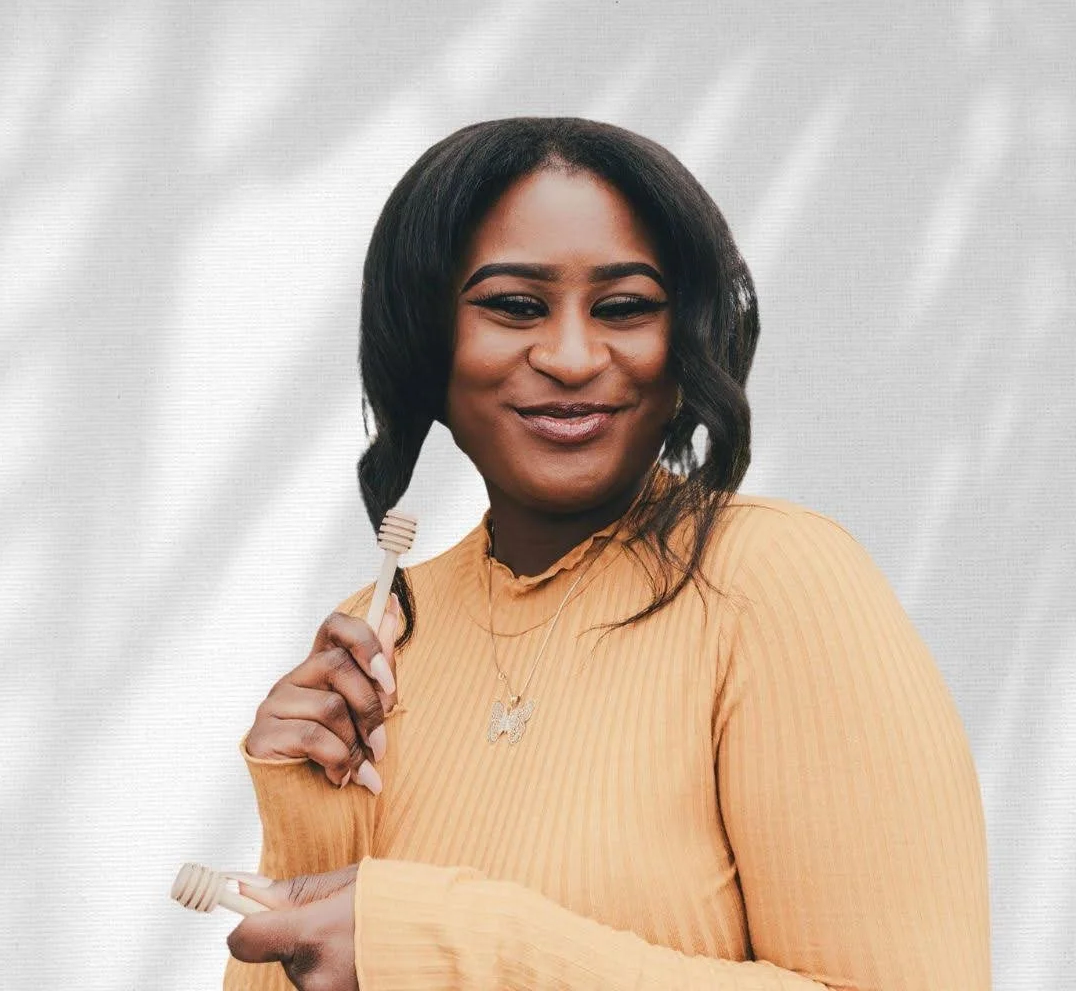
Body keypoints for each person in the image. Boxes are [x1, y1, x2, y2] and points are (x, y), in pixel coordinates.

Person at [223, 117, 991, 990]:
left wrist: (451, 944)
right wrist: (311, 828)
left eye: (625, 308)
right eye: (514, 306)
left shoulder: (773, 582)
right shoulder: (385, 634)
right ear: (426, 338)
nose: (574, 357)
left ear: (685, 338)